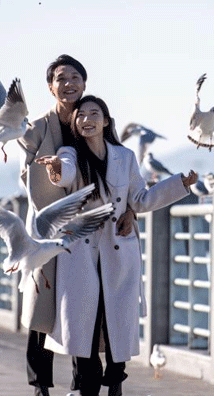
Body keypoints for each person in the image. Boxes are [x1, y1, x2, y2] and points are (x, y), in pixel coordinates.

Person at [35, 95, 197, 396]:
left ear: (106, 121)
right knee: (85, 326)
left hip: (118, 248)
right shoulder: (69, 153)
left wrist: (179, 184)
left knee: (117, 323)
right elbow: (64, 174)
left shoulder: (125, 157)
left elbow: (141, 199)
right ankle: (89, 385)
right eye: (80, 115)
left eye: (93, 114)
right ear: (74, 123)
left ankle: (116, 378)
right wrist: (55, 167)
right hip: (81, 252)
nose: (86, 119)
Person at [17, 55, 136, 396]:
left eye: (75, 77)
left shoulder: (92, 117)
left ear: (84, 83)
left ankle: (83, 385)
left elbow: (119, 177)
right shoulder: (36, 129)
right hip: (49, 229)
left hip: (91, 234)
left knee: (85, 307)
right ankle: (40, 384)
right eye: (61, 78)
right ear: (50, 87)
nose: (68, 83)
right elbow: (28, 178)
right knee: (43, 307)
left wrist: (131, 210)